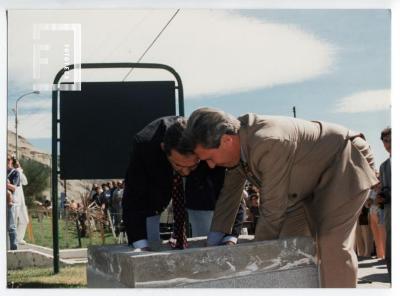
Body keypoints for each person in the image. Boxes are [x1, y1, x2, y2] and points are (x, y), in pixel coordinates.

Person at [183, 108, 378, 288]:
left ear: (227, 140)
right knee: (287, 246)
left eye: (209, 158)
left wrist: (256, 260)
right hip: (306, 182)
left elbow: (273, 209)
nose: (210, 165)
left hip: (343, 162)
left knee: (331, 244)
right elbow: (229, 195)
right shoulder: (238, 147)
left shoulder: (269, 142)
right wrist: (214, 240)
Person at [122, 116, 244, 251]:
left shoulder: (208, 143)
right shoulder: (145, 145)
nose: (185, 173)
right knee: (147, 242)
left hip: (201, 193)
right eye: (179, 165)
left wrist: (230, 237)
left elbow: (230, 191)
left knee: (214, 238)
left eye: (192, 166)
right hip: (153, 199)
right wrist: (141, 245)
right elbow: (133, 197)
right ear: (164, 149)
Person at [377, 127, 391, 278]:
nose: (388, 144)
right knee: (390, 257)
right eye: (385, 141)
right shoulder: (383, 166)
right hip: (388, 215)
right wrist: (380, 197)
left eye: (390, 140)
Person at [13, 160, 29, 244]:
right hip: (14, 200)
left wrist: (19, 170)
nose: (18, 164)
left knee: (25, 220)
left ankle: (19, 238)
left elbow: (25, 182)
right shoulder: (11, 173)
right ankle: (12, 240)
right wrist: (18, 170)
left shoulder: (18, 172)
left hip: (21, 201)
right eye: (16, 163)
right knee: (13, 221)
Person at [6, 155, 20, 250]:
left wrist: (6, 184)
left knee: (11, 225)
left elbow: (14, 187)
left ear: (11, 161)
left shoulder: (15, 172)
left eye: (7, 159)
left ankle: (14, 248)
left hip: (7, 201)